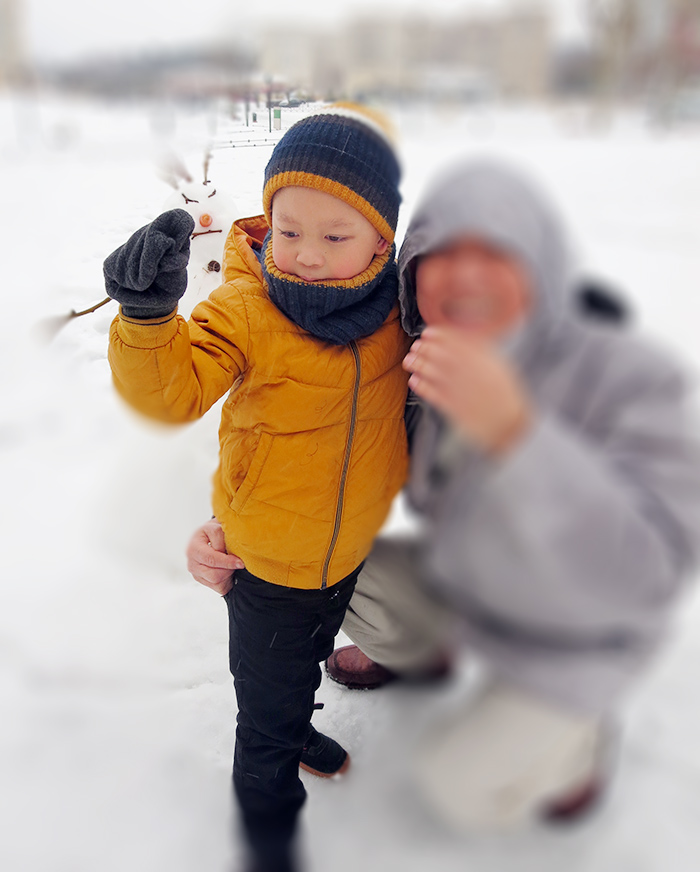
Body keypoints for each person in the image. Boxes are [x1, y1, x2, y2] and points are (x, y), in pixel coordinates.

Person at [188, 157, 700, 833]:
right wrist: (233, 529)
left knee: (458, 788)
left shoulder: (622, 374)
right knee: (317, 548)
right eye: (442, 257)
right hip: (474, 583)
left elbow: (651, 567)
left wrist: (517, 433)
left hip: (573, 629)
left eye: (494, 255)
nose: (464, 278)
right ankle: (421, 651)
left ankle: (575, 740)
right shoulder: (419, 357)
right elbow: (317, 458)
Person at [104, 105, 410, 872]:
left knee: (303, 666)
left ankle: (295, 726)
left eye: (335, 237)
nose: (303, 254)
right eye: (289, 229)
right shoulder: (249, 308)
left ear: (382, 240)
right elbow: (171, 393)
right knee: (265, 716)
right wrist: (147, 320)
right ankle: (268, 826)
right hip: (268, 567)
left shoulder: (395, 314)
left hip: (347, 553)